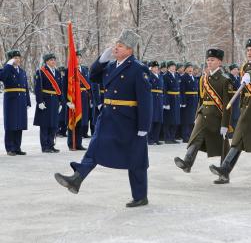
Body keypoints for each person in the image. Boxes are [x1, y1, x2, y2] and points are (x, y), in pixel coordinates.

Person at [54, 29, 153, 207]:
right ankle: (77, 179)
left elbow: (145, 100)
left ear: (129, 50)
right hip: (108, 117)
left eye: (120, 46)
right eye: (115, 45)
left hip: (128, 120)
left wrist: (144, 126)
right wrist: (101, 60)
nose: (115, 48)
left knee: (136, 158)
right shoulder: (111, 65)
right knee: (95, 147)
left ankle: (140, 196)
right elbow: (93, 76)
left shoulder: (138, 69)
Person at [209, 39, 251, 187]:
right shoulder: (245, 66)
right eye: (248, 50)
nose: (249, 53)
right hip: (247, 107)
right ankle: (226, 169)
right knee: (240, 139)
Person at [174, 48, 233, 184]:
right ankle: (187, 162)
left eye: (212, 60)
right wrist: (197, 115)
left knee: (223, 145)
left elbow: (227, 105)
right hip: (203, 113)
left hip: (217, 115)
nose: (209, 62)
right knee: (195, 138)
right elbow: (201, 99)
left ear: (219, 62)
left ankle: (224, 174)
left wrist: (225, 124)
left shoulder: (225, 80)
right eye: (208, 60)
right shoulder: (204, 78)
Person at [0, 50, 31, 156]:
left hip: (21, 99)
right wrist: (8, 65)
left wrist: (28, 101)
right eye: (15, 58)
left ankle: (17, 147)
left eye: (18, 57)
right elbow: (2, 77)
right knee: (11, 124)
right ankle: (10, 148)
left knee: (19, 124)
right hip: (11, 99)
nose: (17, 59)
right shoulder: (6, 69)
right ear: (10, 59)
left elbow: (25, 87)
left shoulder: (22, 71)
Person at [33, 53, 63, 153]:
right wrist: (40, 101)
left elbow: (60, 89)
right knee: (45, 124)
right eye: (51, 60)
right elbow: (38, 88)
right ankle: (45, 146)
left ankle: (51, 145)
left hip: (55, 100)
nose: (53, 62)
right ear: (46, 62)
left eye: (54, 60)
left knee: (54, 124)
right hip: (45, 100)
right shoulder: (41, 72)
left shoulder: (58, 73)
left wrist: (61, 102)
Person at [180, 62, 199, 143]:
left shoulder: (194, 78)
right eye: (189, 67)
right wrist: (183, 101)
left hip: (194, 100)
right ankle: (185, 136)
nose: (190, 69)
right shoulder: (184, 77)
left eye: (191, 67)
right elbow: (182, 91)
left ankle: (191, 135)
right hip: (187, 100)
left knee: (192, 119)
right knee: (186, 119)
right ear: (186, 69)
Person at [163, 61, 181, 143]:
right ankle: (167, 138)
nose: (173, 68)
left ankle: (173, 137)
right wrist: (166, 102)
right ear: (168, 68)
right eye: (171, 66)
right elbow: (165, 90)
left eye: (174, 66)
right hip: (170, 98)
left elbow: (179, 89)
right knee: (168, 119)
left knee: (175, 119)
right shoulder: (166, 76)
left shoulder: (176, 75)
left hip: (176, 98)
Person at [148, 61, 164, 145]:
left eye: (157, 67)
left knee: (159, 119)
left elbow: (162, 89)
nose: (156, 68)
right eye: (154, 67)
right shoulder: (149, 76)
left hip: (159, 99)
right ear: (151, 68)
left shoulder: (160, 76)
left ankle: (156, 138)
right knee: (152, 119)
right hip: (152, 98)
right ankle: (150, 139)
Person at [228, 63, 241, 136]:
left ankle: (236, 132)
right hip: (232, 98)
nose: (237, 71)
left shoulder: (238, 77)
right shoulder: (229, 78)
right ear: (231, 71)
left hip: (238, 98)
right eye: (235, 69)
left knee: (237, 115)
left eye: (237, 69)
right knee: (232, 116)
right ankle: (230, 133)